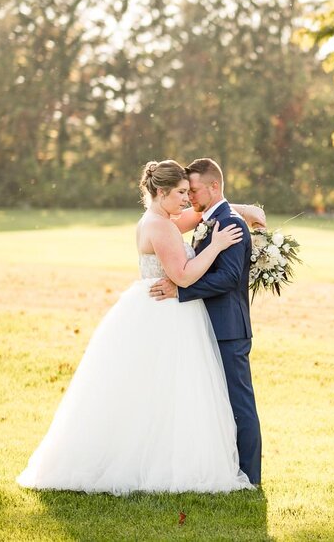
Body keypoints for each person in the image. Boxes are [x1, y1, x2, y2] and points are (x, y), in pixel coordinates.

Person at [16, 160, 258, 494]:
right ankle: (154, 462)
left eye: (190, 192)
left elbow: (203, 214)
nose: (187, 200)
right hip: (163, 313)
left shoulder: (162, 219)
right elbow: (184, 276)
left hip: (161, 311)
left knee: (160, 391)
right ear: (161, 192)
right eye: (181, 193)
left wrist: (240, 207)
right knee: (161, 390)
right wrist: (215, 246)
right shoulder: (159, 227)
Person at [150, 158, 263, 486]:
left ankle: (250, 476)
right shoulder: (210, 220)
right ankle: (225, 467)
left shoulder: (229, 224)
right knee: (215, 401)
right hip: (206, 326)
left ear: (214, 187)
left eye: (195, 190)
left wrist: (180, 291)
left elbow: (228, 278)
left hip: (229, 329)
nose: (190, 197)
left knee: (238, 402)